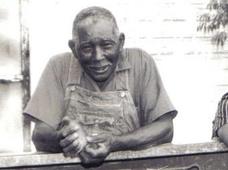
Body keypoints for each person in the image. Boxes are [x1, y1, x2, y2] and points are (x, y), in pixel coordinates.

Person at [24, 6, 177, 164]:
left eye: (107, 45)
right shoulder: (59, 66)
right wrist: (67, 138)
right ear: (74, 48)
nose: (97, 57)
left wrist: (115, 142)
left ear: (121, 42)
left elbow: (165, 128)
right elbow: (39, 135)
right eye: (87, 48)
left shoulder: (140, 62)